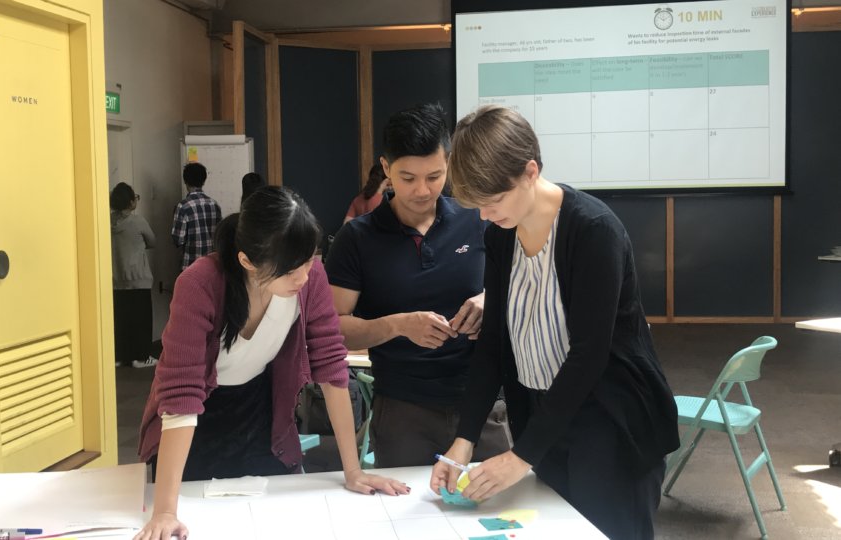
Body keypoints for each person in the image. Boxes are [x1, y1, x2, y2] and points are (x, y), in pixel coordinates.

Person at [430, 105, 680, 540]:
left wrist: (520, 457)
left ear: (530, 172)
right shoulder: (500, 234)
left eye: (493, 201)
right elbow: (494, 343)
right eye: (478, 205)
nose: (485, 215)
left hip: (611, 420)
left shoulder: (593, 230)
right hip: (544, 417)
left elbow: (589, 356)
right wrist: (463, 440)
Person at [137, 187, 408, 540]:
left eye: (310, 260)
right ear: (247, 261)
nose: (304, 277)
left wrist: (353, 471)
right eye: (290, 270)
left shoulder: (310, 279)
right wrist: (165, 512)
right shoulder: (200, 284)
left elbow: (331, 366)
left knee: (271, 519)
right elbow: (181, 395)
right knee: (201, 518)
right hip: (193, 423)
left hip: (262, 411)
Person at [325, 103, 511, 469]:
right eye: (408, 178)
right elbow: (334, 331)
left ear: (449, 164)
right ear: (386, 168)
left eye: (434, 176)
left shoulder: (479, 220)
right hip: (403, 411)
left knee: (502, 503)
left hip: (483, 403)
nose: (422, 190)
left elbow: (520, 289)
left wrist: (490, 299)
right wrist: (398, 325)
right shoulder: (357, 239)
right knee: (406, 505)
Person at [109, 182, 158, 369]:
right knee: (141, 319)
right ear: (130, 202)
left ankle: (119, 357)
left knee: (120, 320)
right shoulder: (137, 221)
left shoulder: (106, 221)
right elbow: (152, 241)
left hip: (116, 279)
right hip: (138, 277)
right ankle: (141, 357)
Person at [172, 162, 222, 270]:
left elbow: (178, 240)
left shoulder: (183, 206)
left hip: (191, 265)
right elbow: (219, 236)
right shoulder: (214, 204)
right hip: (213, 265)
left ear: (185, 181)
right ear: (204, 181)